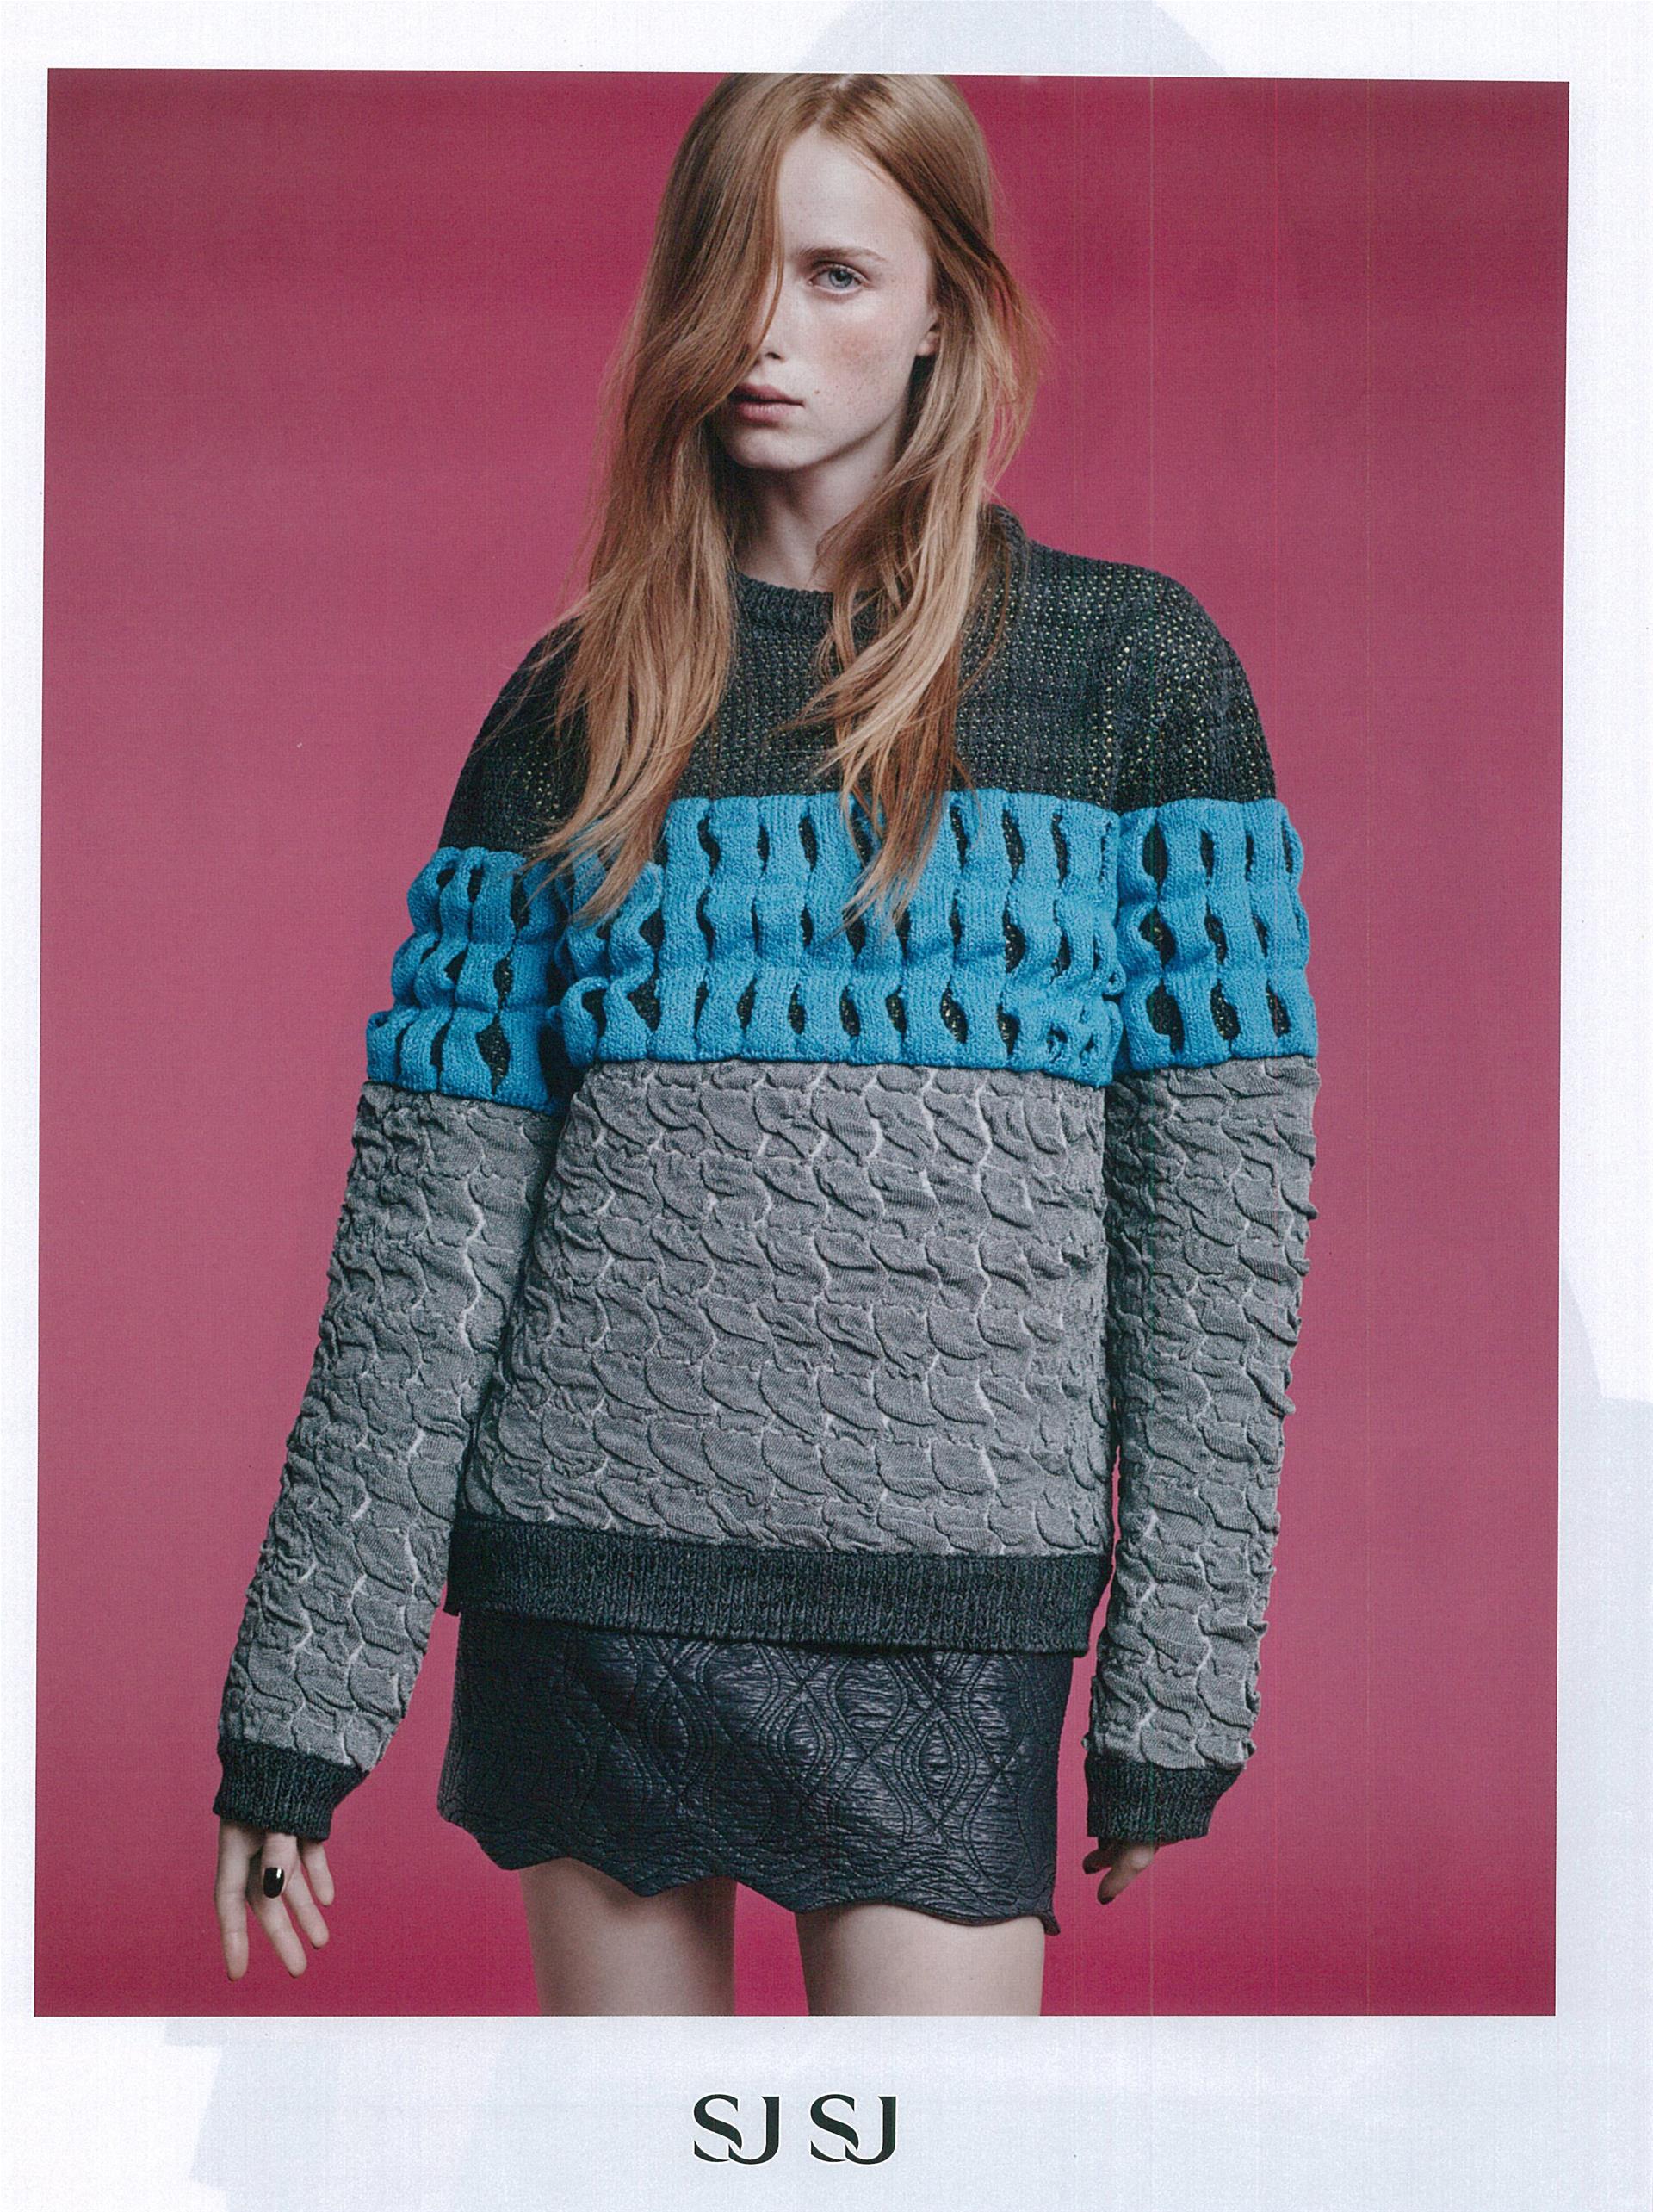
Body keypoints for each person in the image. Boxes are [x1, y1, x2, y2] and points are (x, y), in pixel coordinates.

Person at [211, 71, 1322, 2018]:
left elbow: (1217, 1246)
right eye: (729, 270)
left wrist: (1176, 1695)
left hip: (952, 1612)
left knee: (928, 2157)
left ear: (947, 309)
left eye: (835, 274)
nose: (764, 332)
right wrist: (296, 1718)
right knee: (645, 2161)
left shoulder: (1133, 675)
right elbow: (423, 1248)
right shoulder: (580, 699)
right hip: (590, 1580)